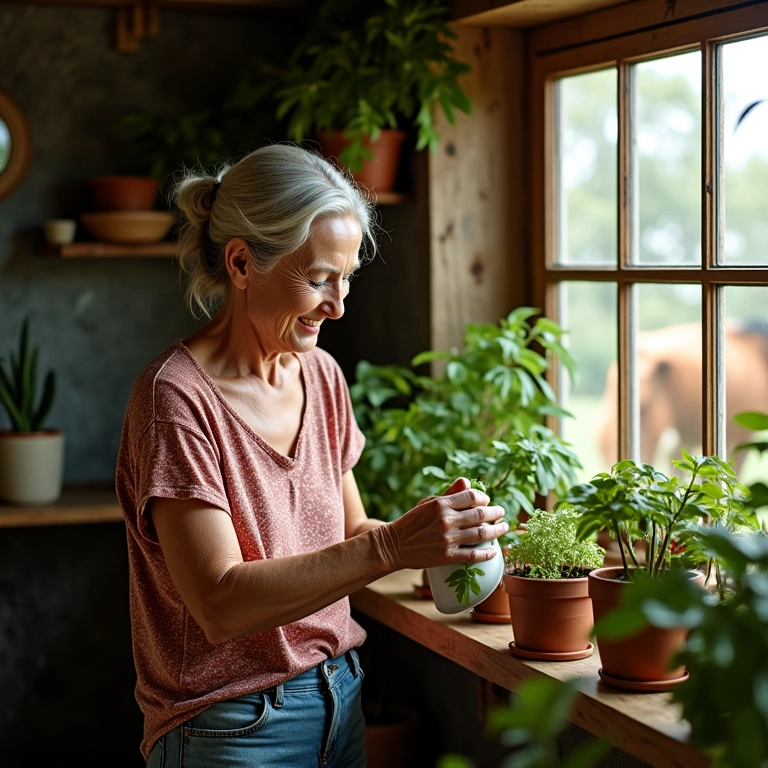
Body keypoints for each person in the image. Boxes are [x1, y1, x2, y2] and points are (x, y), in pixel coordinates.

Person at [116, 143, 508, 768]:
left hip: (339, 697)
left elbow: (351, 532)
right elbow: (219, 603)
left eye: (347, 277)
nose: (339, 303)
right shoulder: (175, 400)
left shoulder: (320, 375)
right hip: (228, 728)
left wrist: (439, 541)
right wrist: (391, 548)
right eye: (319, 278)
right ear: (242, 263)